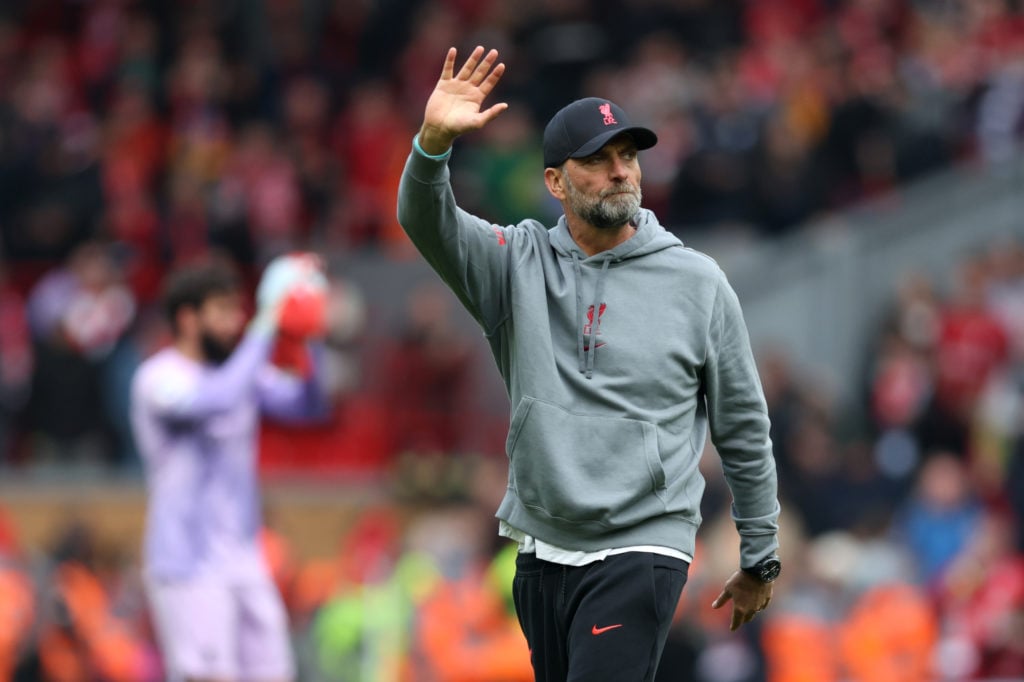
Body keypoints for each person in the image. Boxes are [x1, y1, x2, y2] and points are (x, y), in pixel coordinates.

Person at [397, 46, 782, 681]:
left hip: (643, 542)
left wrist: (760, 554)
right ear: (555, 182)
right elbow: (424, 219)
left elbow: (742, 423)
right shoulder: (514, 264)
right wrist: (433, 142)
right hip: (543, 548)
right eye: (597, 161)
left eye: (627, 156)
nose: (620, 173)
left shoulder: (699, 282)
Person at [130, 255, 329, 682]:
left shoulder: (243, 374)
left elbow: (310, 406)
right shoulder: (158, 378)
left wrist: (307, 335)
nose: (235, 322)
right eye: (221, 311)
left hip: (245, 557)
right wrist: (266, 323)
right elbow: (216, 399)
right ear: (187, 318)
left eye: (237, 310)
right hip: (186, 562)